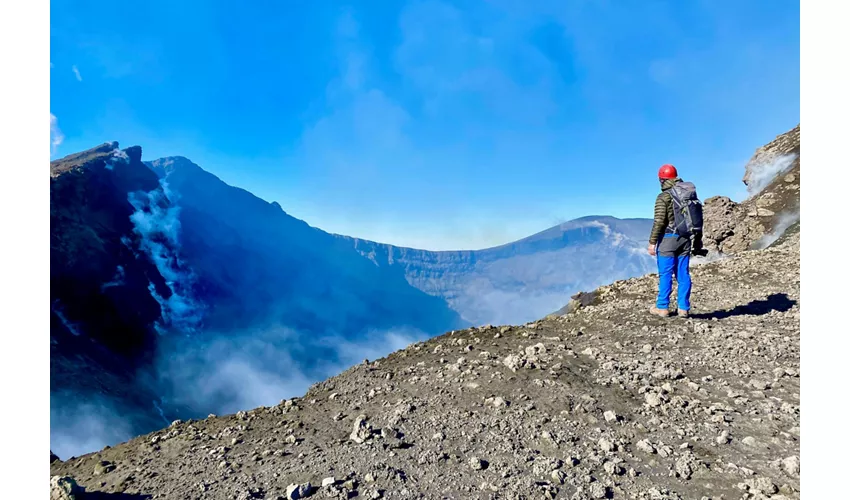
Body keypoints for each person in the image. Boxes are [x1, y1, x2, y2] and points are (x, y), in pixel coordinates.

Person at [647, 164, 704, 318]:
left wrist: (652, 242)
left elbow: (659, 221)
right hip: (685, 239)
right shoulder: (686, 194)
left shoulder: (664, 197)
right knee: (683, 273)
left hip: (667, 240)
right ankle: (683, 308)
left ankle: (662, 307)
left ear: (662, 180)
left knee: (665, 273)